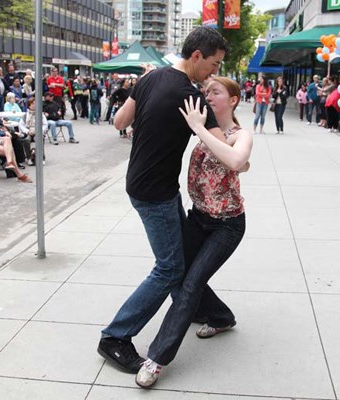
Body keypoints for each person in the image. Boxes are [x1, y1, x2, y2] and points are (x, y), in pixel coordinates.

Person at [96, 26, 228, 375]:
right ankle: (115, 336)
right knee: (169, 267)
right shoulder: (192, 97)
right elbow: (231, 157)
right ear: (197, 56)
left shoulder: (150, 79)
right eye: (214, 65)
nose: (215, 72)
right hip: (156, 193)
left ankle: (207, 310)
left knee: (180, 257)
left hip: (141, 184)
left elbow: (119, 122)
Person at [135, 77, 252, 388]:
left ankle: (157, 359)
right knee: (180, 276)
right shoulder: (204, 128)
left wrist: (199, 128)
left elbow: (237, 159)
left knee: (190, 285)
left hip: (227, 225)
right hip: (197, 218)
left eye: (215, 92)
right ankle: (222, 317)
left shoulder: (241, 134)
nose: (207, 96)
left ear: (234, 100)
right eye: (205, 91)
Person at [19, 97, 48, 166]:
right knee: (26, 141)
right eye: (32, 104)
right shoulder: (25, 115)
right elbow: (21, 125)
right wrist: (27, 131)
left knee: (39, 139)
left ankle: (41, 158)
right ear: (29, 105)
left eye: (35, 104)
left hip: (38, 132)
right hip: (29, 132)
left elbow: (45, 124)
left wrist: (39, 131)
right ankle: (29, 158)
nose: (34, 105)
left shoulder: (41, 114)